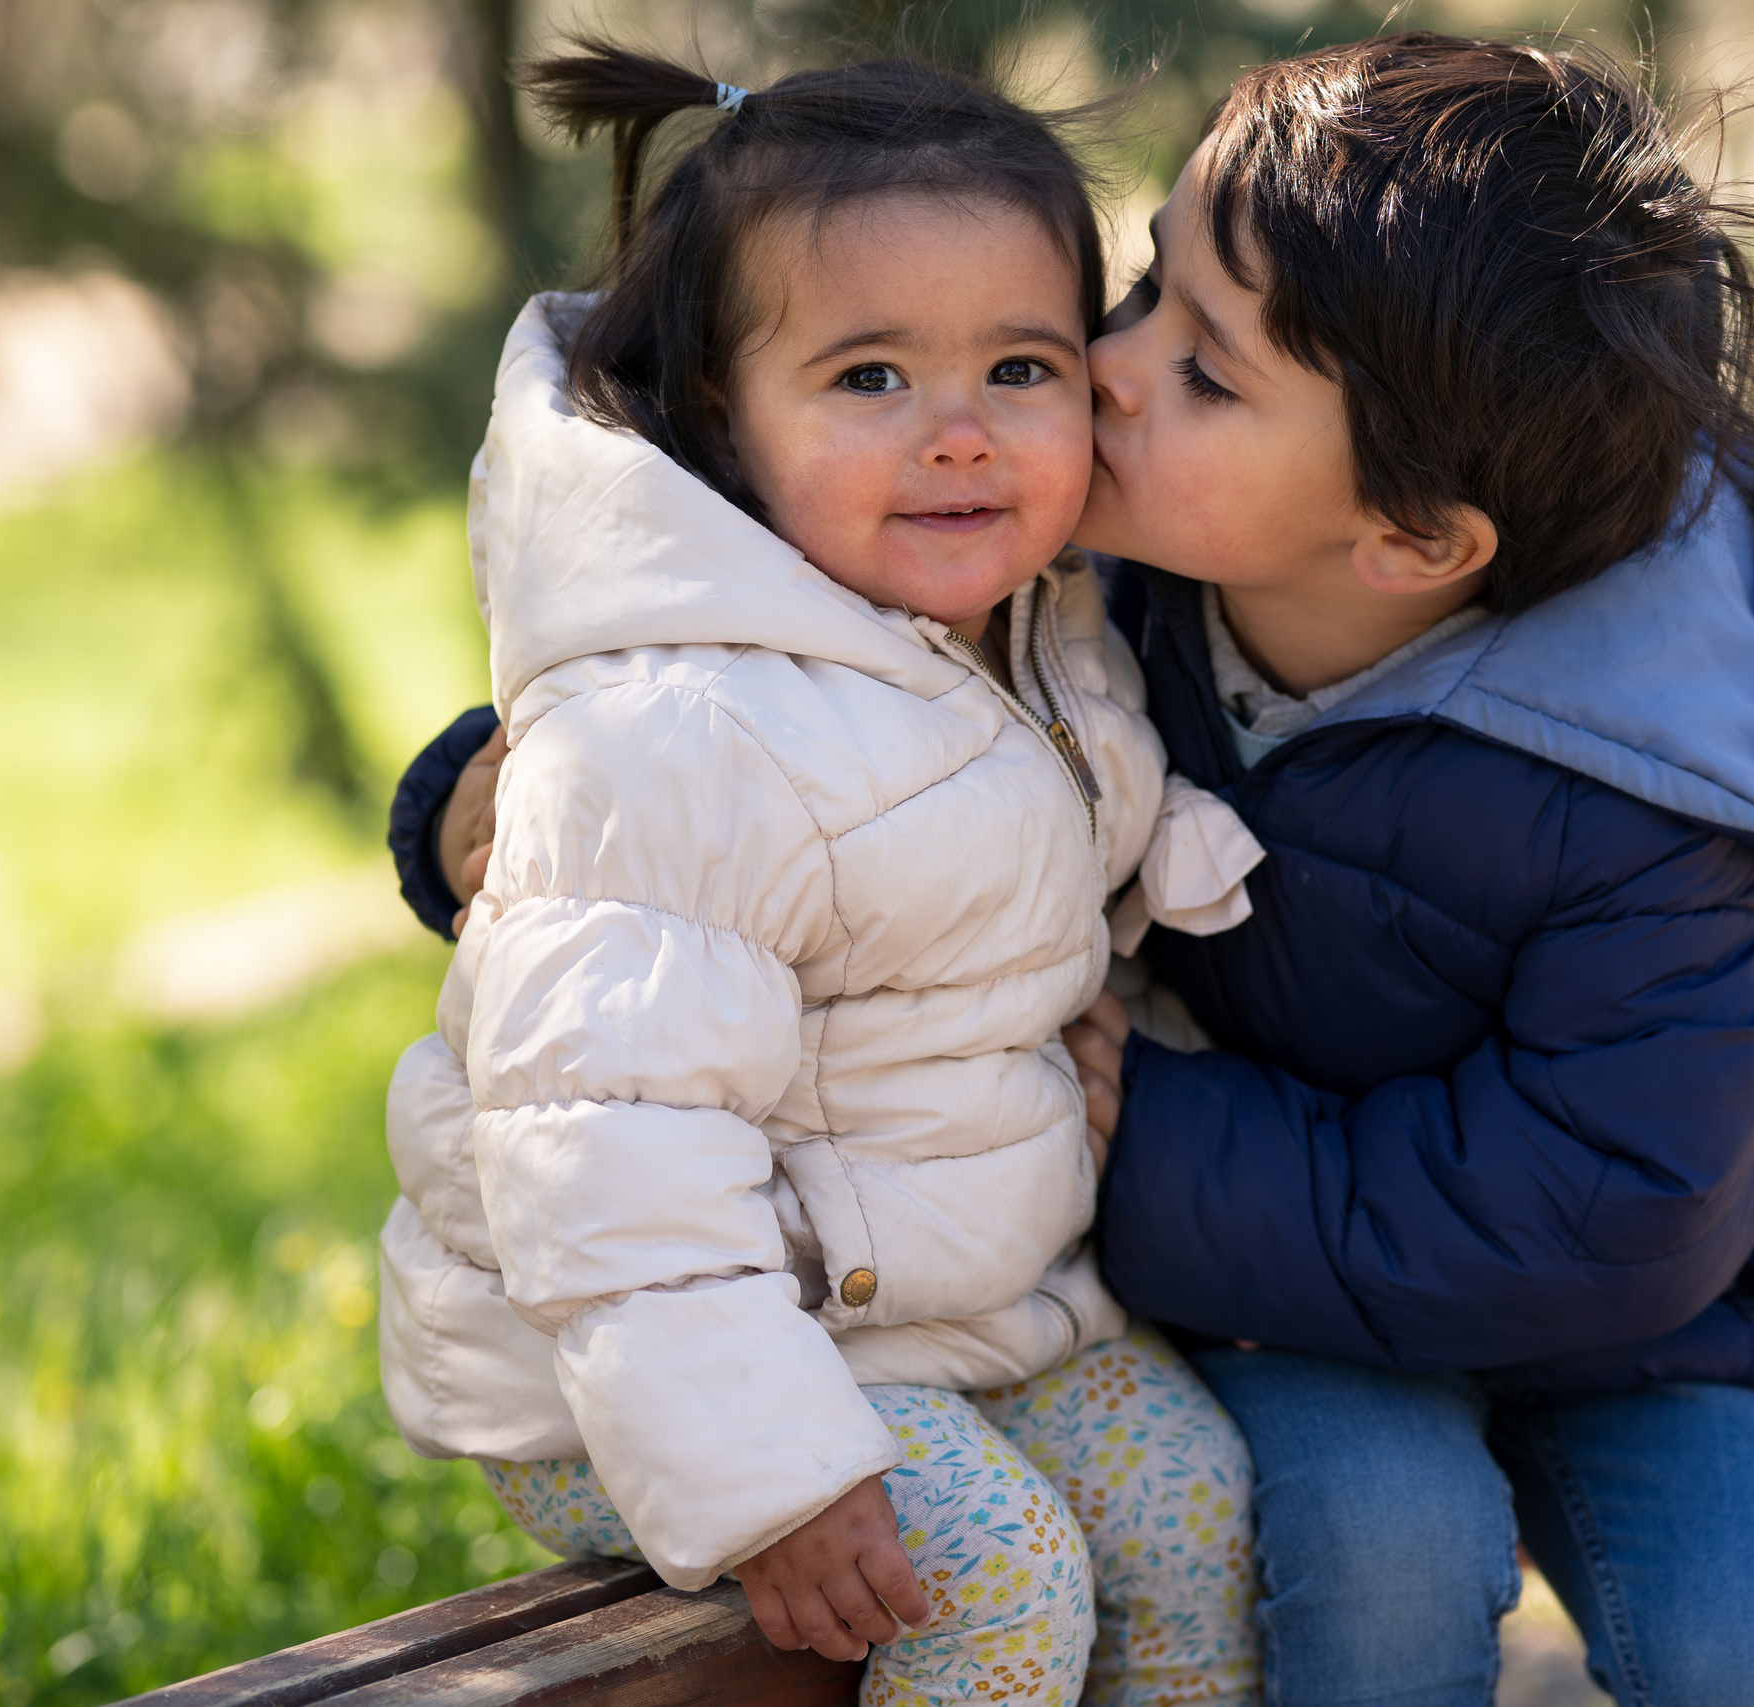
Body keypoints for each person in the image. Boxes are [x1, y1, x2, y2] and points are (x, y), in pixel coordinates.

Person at [399, 32, 1754, 1707]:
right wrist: (473, 787)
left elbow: (1614, 1205)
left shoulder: (1648, 780)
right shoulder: (1091, 584)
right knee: (1373, 1560)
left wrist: (1164, 1131)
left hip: (1635, 1315)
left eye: (1204, 370)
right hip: (1265, 1306)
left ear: (1409, 540)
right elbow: (740, 727)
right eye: (1144, 299)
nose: (1106, 372)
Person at [374, 41, 1260, 1707]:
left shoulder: (1034, 632)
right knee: (989, 1582)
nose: (960, 435)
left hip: (944, 1303)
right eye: (868, 378)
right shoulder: (678, 735)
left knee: (1194, 1505)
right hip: (639, 1366)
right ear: (723, 417)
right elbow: (606, 1150)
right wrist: (766, 1471)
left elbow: (1056, 874)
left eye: (1021, 365)